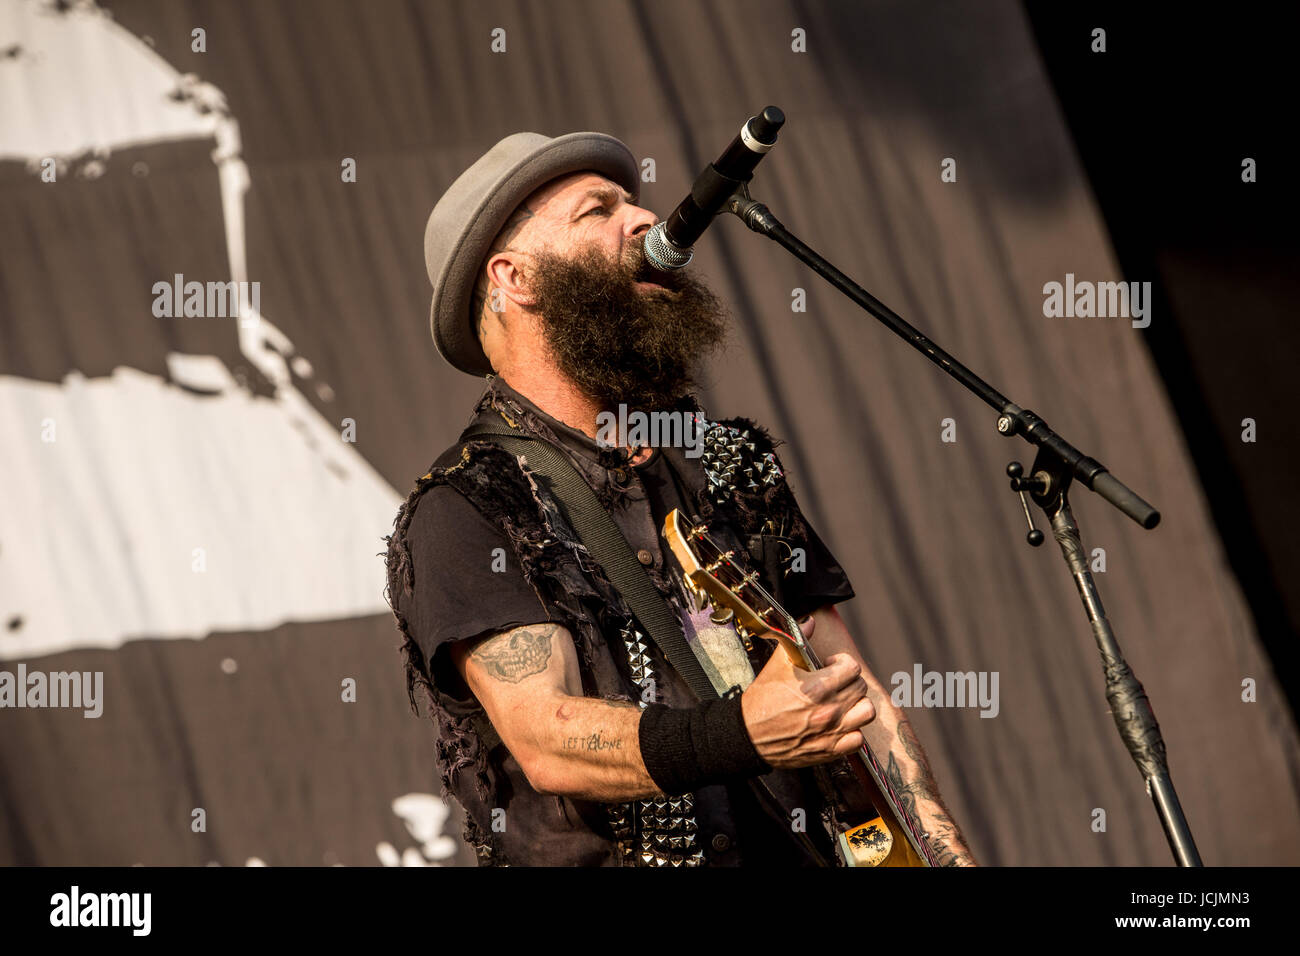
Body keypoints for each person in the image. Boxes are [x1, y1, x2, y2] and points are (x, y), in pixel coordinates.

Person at [385, 131, 975, 867]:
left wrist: (944, 856)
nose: (643, 219)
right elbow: (547, 736)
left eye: (633, 201)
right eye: (597, 210)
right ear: (515, 277)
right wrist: (743, 735)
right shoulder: (470, 506)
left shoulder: (723, 462)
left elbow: (856, 697)